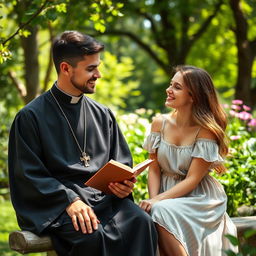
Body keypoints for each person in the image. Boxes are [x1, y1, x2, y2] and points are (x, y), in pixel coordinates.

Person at [8, 30, 157, 256]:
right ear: (66, 68)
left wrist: (123, 185)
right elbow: (28, 175)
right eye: (91, 69)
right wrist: (70, 201)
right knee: (91, 234)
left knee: (141, 222)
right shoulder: (30, 117)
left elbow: (120, 162)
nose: (98, 74)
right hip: (60, 205)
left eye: (97, 66)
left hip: (104, 200)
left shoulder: (102, 114)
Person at [139, 65, 238, 256]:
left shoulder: (206, 131)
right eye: (170, 84)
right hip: (164, 193)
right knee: (154, 212)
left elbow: (193, 179)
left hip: (199, 197)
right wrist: (153, 199)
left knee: (159, 211)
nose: (169, 90)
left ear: (193, 96)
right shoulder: (159, 123)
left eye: (177, 87)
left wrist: (156, 202)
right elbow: (154, 168)